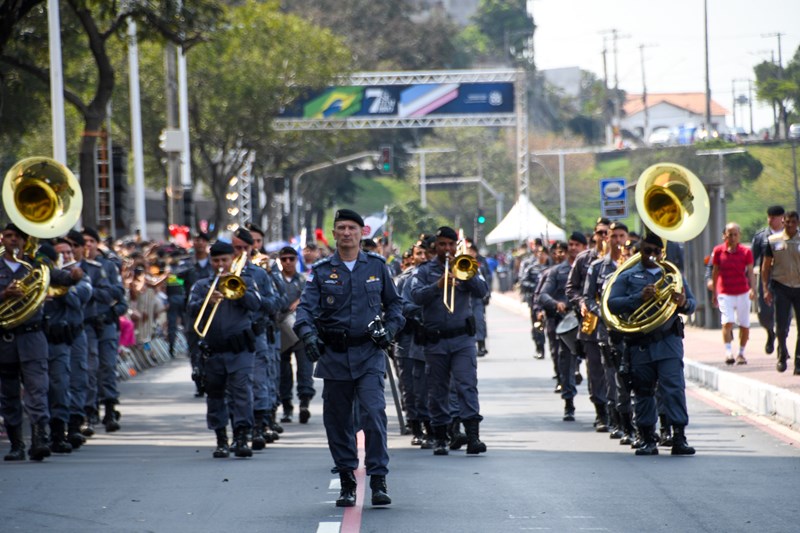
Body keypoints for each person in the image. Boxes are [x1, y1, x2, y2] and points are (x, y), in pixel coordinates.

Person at [294, 209, 404, 508]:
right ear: (334, 233)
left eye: (352, 228)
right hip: (334, 356)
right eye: (341, 227)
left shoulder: (377, 267)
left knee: (374, 414)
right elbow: (304, 310)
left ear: (362, 232)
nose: (346, 233)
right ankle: (346, 479)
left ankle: (378, 478)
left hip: (368, 353)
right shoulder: (320, 271)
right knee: (337, 421)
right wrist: (307, 335)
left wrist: (390, 330)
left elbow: (396, 306)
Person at [606, 232, 697, 456]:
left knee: (673, 389)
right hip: (640, 344)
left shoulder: (672, 275)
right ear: (640, 251)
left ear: (662, 253)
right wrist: (638, 298)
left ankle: (679, 436)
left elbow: (692, 304)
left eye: (657, 252)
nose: (653, 256)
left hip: (668, 343)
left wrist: (684, 302)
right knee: (643, 391)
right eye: (648, 251)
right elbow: (612, 304)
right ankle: (647, 438)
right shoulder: (628, 276)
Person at [410, 227, 489, 456]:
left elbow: (482, 291)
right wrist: (438, 285)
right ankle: (441, 436)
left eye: (450, 245)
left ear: (456, 246)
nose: (446, 249)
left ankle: (473, 436)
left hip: (463, 339)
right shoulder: (423, 271)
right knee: (438, 390)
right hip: (435, 341)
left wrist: (467, 271)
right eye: (442, 245)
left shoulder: (466, 265)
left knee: (467, 385)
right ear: (435, 247)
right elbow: (415, 296)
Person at [0, 225, 77, 460]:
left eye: (17, 237)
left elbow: (64, 278)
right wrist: (4, 295)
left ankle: (39, 439)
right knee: (8, 392)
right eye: (8, 237)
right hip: (5, 337)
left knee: (38, 388)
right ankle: (16, 444)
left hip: (33, 336)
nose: (12, 241)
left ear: (25, 241)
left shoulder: (37, 263)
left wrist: (75, 275)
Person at [188, 240, 262, 458]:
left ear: (233, 260)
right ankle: (221, 438)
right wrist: (206, 302)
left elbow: (257, 304)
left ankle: (241, 436)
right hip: (213, 350)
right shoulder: (202, 286)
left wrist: (240, 292)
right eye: (216, 260)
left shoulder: (243, 280)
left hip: (240, 349)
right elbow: (190, 309)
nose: (220, 265)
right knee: (215, 394)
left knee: (242, 392)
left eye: (224, 260)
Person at [567, 218, 611, 431]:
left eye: (606, 233)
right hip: (592, 320)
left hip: (616, 322)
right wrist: (582, 303)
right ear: (594, 235)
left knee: (614, 368)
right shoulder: (584, 260)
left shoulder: (622, 260)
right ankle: (601, 412)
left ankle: (618, 412)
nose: (603, 237)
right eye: (600, 233)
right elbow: (571, 288)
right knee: (595, 369)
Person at [538, 232, 587, 421]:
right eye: (571, 245)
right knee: (565, 361)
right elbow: (543, 295)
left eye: (577, 245)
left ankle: (604, 410)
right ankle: (569, 402)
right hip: (566, 324)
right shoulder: (556, 271)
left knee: (598, 365)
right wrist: (555, 303)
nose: (573, 248)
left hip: (591, 322)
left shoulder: (592, 268)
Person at [276, 246, 315, 424]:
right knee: (283, 372)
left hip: (300, 330)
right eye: (284, 259)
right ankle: (287, 407)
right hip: (281, 329)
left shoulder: (304, 280)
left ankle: (304, 404)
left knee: (305, 369)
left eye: (291, 258)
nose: (288, 262)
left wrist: (301, 300)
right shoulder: (274, 280)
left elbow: (314, 301)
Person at [711, 223, 756, 365]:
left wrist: (753, 288)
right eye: (729, 234)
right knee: (727, 321)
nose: (732, 237)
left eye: (735, 234)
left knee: (744, 324)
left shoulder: (746, 252)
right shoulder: (718, 251)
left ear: (739, 235)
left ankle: (741, 353)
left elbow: (750, 272)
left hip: (742, 291)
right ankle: (728, 352)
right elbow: (715, 271)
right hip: (725, 292)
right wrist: (714, 292)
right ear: (725, 235)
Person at [761, 210, 800, 374]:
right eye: (787, 222)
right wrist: (765, 288)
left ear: (797, 223)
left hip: (799, 286)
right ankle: (782, 353)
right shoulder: (773, 241)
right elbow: (766, 266)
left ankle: (798, 361)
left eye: (793, 222)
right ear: (783, 222)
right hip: (781, 286)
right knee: (781, 326)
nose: (789, 225)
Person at [752, 205, 785, 355]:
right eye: (769, 217)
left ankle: (781, 344)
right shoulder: (761, 237)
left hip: (785, 279)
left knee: (784, 314)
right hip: (766, 279)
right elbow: (751, 260)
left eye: (774, 217)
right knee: (764, 313)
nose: (770, 220)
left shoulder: (791, 235)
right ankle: (770, 333)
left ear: (782, 218)